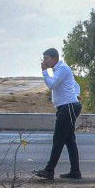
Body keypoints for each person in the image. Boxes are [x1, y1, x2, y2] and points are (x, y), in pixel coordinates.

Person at [34, 48, 83, 180]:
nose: (44, 61)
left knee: (58, 139)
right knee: (69, 140)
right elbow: (75, 84)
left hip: (68, 107)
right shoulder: (60, 70)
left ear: (54, 58)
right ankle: (75, 172)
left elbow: (51, 84)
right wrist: (76, 94)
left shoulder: (62, 68)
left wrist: (44, 71)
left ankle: (49, 170)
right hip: (67, 107)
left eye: (46, 58)